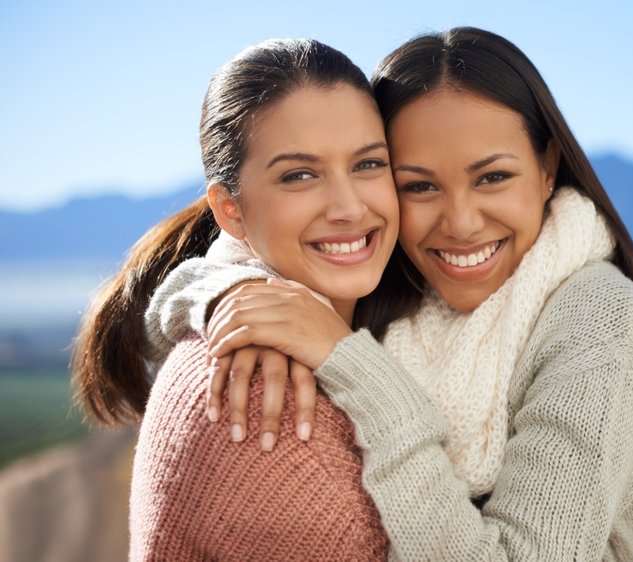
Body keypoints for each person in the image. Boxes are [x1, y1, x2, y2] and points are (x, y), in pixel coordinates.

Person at [148, 27, 633, 561]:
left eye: (492, 177)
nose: (462, 224)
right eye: (418, 185)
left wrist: (351, 362)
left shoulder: (599, 322)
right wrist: (234, 293)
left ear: (547, 168)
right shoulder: (397, 273)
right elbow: (223, 261)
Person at [71, 38, 409, 561]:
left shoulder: (378, 325)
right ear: (230, 210)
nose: (349, 207)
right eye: (300, 175)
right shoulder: (261, 404)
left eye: (368, 164)